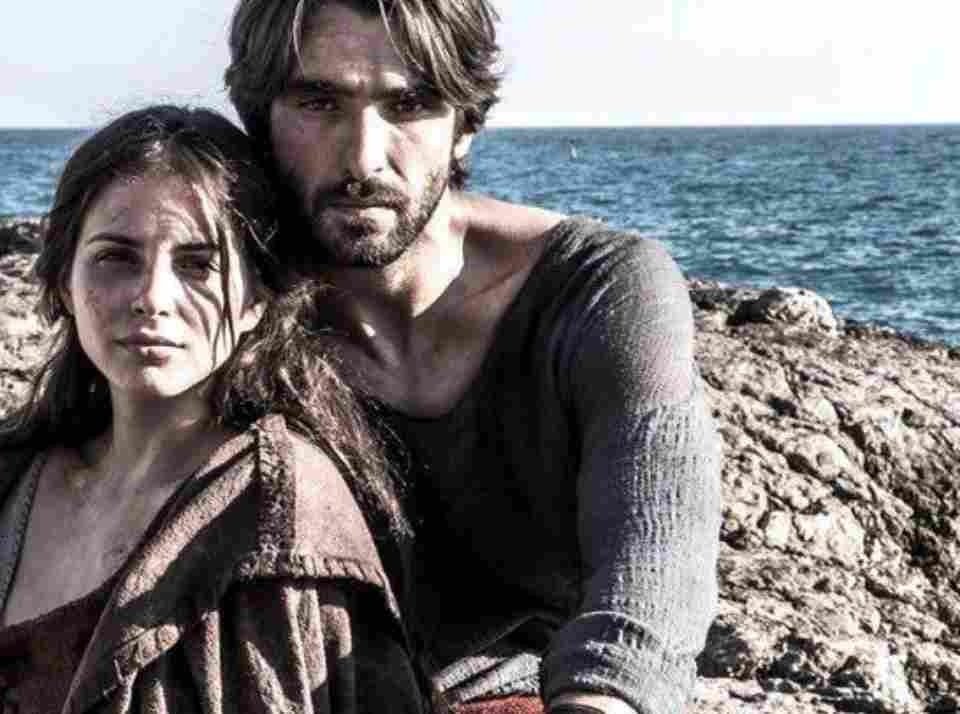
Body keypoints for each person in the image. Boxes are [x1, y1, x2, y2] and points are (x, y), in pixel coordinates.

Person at [0, 106, 427, 713]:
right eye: (117, 258)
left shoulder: (281, 520)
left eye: (199, 265)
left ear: (257, 296)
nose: (152, 298)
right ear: (64, 282)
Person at [225, 2, 723, 714]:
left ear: (465, 124)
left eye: (410, 104)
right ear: (260, 119)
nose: (363, 159)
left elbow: (653, 557)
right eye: (319, 102)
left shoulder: (596, 288)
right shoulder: (223, 305)